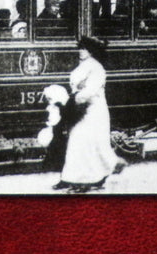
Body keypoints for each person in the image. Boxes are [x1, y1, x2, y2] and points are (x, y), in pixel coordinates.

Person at [53, 36, 126, 193]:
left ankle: (86, 180)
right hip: (81, 109)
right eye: (80, 48)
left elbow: (90, 90)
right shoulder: (83, 65)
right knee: (76, 143)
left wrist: (75, 99)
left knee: (85, 144)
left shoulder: (97, 68)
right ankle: (70, 177)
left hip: (93, 110)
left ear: (92, 51)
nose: (81, 51)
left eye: (84, 49)